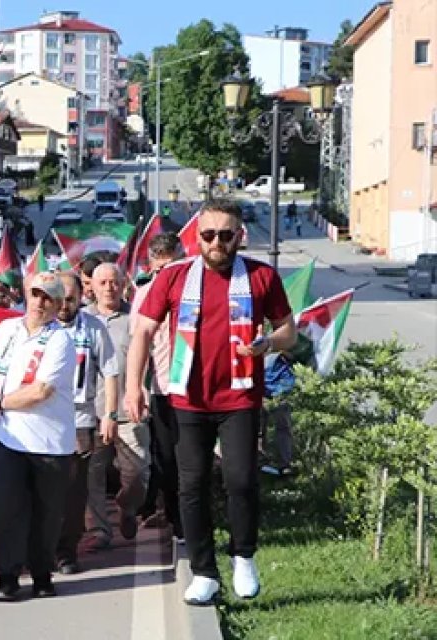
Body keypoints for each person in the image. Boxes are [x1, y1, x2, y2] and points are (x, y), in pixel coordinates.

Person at [126, 199, 296, 605]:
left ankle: (244, 556)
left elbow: (288, 330)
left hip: (239, 395)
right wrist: (134, 386)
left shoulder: (261, 277)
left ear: (240, 236)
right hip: (187, 398)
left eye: (225, 234)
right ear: (196, 236)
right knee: (191, 485)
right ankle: (204, 572)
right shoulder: (174, 277)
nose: (216, 242)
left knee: (240, 479)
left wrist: (268, 343)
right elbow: (143, 334)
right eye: (208, 234)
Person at [0, 272, 76, 601]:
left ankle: (42, 573)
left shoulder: (61, 340)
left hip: (49, 442)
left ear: (59, 304)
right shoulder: (7, 330)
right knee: (7, 508)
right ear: (25, 296)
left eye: (48, 297)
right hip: (9, 438)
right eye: (35, 295)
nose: (40, 303)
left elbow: (42, 390)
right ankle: (7, 575)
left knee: (46, 513)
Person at [52, 271, 119, 575]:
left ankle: (66, 551)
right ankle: (43, 546)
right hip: (43, 419)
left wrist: (109, 414)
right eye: (59, 299)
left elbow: (110, 372)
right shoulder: (40, 327)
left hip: (80, 419)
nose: (64, 305)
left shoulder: (93, 328)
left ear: (82, 296)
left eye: (70, 299)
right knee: (45, 487)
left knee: (75, 489)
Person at [86, 264, 149, 544]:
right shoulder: (83, 319)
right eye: (103, 282)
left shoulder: (136, 317)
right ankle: (99, 530)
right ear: (93, 286)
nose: (109, 287)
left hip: (129, 408)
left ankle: (128, 506)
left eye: (114, 282)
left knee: (137, 472)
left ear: (124, 284)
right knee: (92, 476)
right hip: (90, 412)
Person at [131, 233, 184, 539]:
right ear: (151, 266)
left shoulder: (198, 289)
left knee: (197, 459)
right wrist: (135, 388)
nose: (168, 274)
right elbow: (139, 343)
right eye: (161, 268)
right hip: (164, 388)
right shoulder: (145, 294)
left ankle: (195, 519)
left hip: (199, 389)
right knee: (168, 459)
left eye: (174, 265)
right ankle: (177, 522)